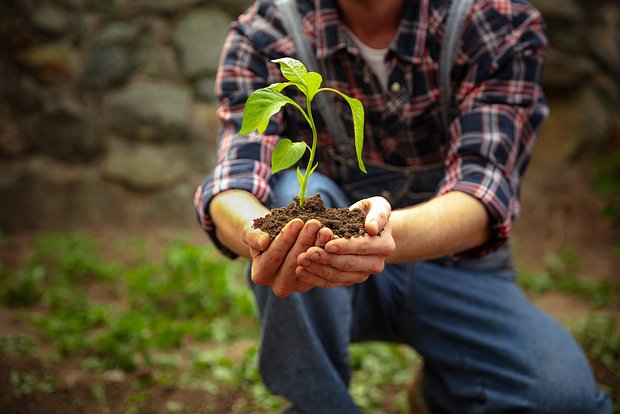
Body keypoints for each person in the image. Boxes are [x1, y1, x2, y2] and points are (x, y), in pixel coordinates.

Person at [194, 0, 612, 412]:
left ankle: (442, 394)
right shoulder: (267, 30)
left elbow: (484, 192)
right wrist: (264, 235)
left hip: (456, 267)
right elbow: (235, 180)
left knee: (563, 400)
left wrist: (375, 234)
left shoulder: (491, 20)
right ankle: (318, 404)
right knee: (289, 197)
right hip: (321, 270)